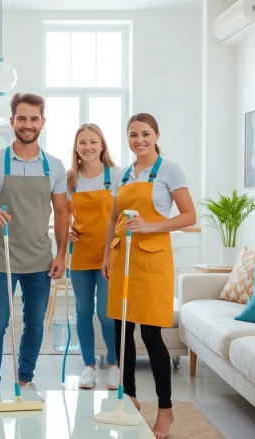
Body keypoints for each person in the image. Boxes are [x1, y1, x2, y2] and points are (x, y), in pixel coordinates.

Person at [0, 93, 69, 396]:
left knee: (34, 325)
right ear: (12, 122)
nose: (28, 124)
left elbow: (62, 213)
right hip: (2, 258)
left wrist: (61, 253)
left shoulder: (55, 167)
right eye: (22, 118)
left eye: (34, 119)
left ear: (43, 122)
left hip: (40, 260)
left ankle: (25, 379)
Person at [102, 113, 196, 439]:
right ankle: (128, 397)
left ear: (156, 135)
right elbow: (113, 217)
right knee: (121, 331)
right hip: (122, 257)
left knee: (151, 335)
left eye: (144, 134)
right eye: (132, 135)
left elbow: (189, 215)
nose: (139, 140)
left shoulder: (169, 170)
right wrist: (105, 257)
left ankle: (166, 409)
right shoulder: (123, 174)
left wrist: (151, 226)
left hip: (153, 261)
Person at [65, 123, 121, 390]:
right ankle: (88, 367)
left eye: (93, 142)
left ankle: (113, 364)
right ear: (76, 148)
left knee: (106, 313)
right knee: (83, 312)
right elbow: (60, 215)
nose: (88, 147)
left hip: (109, 255)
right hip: (81, 255)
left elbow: (126, 213)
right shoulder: (69, 180)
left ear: (102, 144)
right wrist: (65, 232)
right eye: (82, 142)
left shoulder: (118, 175)